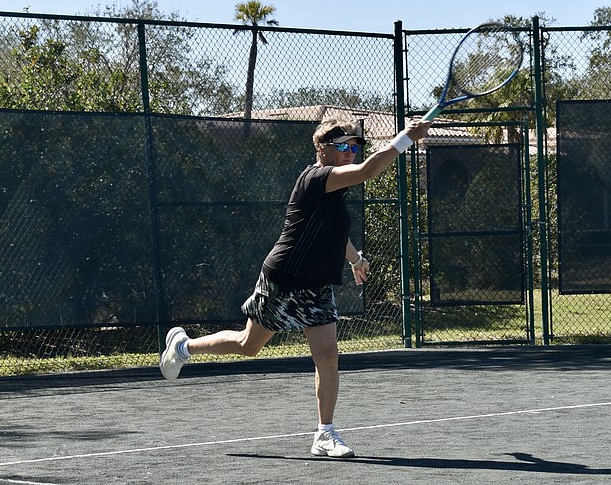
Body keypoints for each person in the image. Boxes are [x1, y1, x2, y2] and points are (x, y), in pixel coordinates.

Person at [159, 115, 431, 458]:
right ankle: (184, 346)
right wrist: (405, 138)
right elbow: (368, 171)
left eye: (354, 147)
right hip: (284, 279)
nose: (350, 153)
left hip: (317, 286)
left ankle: (325, 434)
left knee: (327, 356)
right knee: (248, 345)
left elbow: (336, 233)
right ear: (322, 149)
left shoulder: (335, 189)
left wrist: (355, 260)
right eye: (343, 147)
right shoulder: (316, 178)